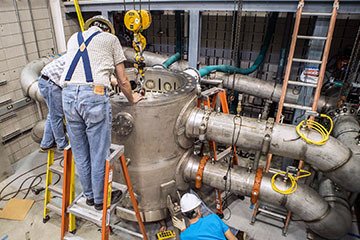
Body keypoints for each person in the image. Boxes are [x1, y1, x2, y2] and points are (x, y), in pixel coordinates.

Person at [59, 15, 141, 211]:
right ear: (106, 30)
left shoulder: (74, 38)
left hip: (68, 96)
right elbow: (122, 81)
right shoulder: (111, 40)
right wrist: (132, 98)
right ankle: (100, 200)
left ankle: (89, 196)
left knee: (80, 152)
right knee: (98, 153)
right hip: (93, 97)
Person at [173, 193, 237, 240]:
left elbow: (188, 235)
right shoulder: (214, 218)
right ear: (198, 210)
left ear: (184, 214)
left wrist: (183, 229)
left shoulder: (184, 236)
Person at [38, 54, 68, 152]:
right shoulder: (78, 59)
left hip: (49, 81)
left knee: (53, 114)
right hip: (50, 83)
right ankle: (62, 145)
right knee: (57, 116)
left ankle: (46, 143)